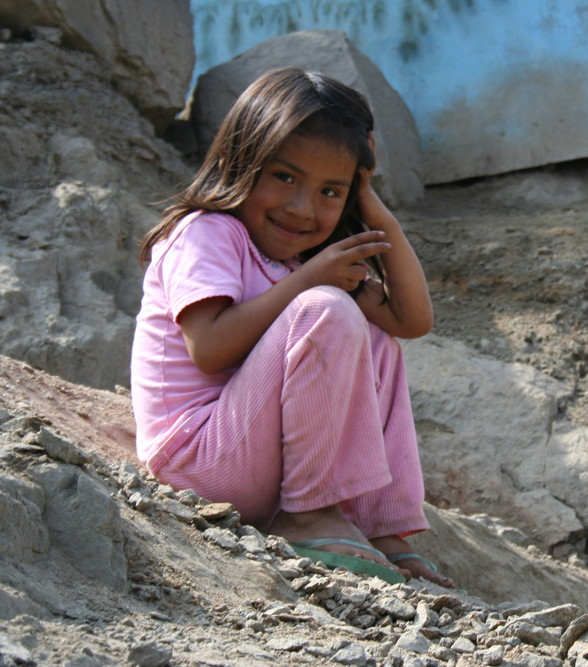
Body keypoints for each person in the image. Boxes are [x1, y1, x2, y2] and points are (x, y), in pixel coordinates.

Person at [130, 67, 452, 587]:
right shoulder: (206, 232)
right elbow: (208, 348)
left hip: (259, 467)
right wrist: (308, 285)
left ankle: (382, 529)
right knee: (326, 308)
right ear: (243, 161)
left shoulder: (303, 262)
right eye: (284, 177)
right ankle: (308, 516)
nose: (303, 208)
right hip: (197, 460)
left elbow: (411, 321)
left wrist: (379, 216)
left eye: (331, 191)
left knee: (377, 340)